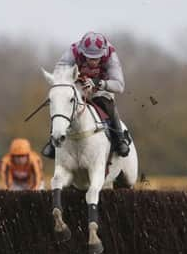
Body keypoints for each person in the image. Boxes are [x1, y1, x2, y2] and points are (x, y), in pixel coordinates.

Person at [42, 31, 130, 159]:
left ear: (103, 53)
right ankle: (53, 141)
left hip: (102, 87)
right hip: (77, 86)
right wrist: (74, 80)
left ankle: (120, 139)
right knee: (61, 103)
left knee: (108, 103)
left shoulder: (110, 54)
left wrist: (99, 83)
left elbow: (119, 85)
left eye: (96, 58)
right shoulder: (73, 51)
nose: (93, 61)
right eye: (89, 57)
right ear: (82, 52)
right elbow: (58, 74)